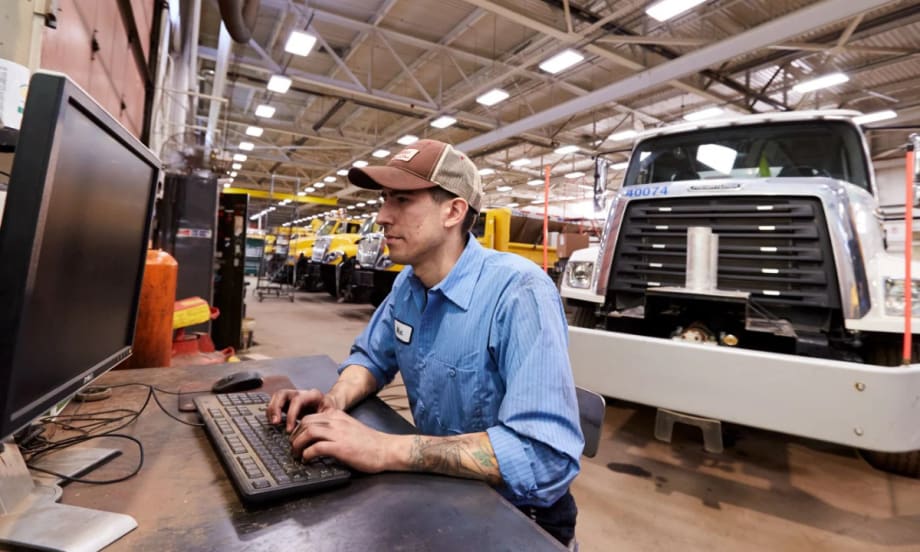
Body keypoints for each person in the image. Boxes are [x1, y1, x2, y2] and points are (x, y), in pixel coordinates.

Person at [266, 139, 584, 545]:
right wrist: (335, 399)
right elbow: (371, 358)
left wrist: (384, 449)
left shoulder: (519, 293)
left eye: (401, 200)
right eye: (384, 200)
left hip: (517, 515)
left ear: (453, 211)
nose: (382, 216)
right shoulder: (408, 285)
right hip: (445, 490)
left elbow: (543, 456)